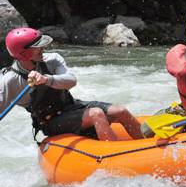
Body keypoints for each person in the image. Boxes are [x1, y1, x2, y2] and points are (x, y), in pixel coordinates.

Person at [0, 27, 143, 141]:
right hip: (51, 122)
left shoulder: (52, 60)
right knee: (96, 114)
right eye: (38, 47)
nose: (43, 48)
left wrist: (46, 79)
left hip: (71, 106)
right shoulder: (11, 80)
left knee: (120, 111)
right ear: (24, 53)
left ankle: (151, 143)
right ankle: (113, 160)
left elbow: (71, 81)